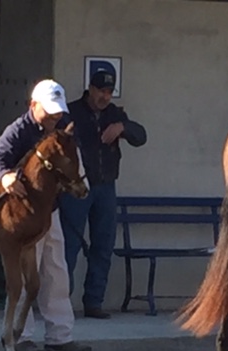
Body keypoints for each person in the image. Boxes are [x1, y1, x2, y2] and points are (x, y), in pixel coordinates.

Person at [0, 79, 92, 351]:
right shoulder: (18, 130)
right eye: (49, 112)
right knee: (25, 273)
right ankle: (20, 336)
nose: (55, 117)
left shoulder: (63, 129)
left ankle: (60, 336)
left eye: (58, 112)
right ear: (33, 106)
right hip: (22, 215)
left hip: (50, 210)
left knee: (56, 272)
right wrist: (6, 176)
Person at [59, 70, 147, 319]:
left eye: (109, 92)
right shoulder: (71, 112)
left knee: (103, 245)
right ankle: (61, 303)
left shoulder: (115, 115)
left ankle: (94, 302)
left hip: (106, 186)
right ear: (90, 89)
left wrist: (122, 127)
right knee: (69, 246)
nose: (105, 97)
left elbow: (141, 137)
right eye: (101, 91)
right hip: (76, 189)